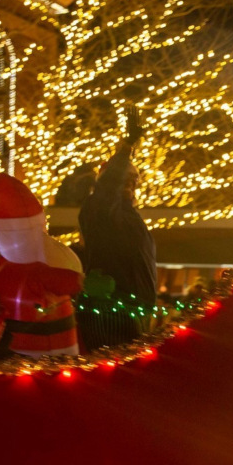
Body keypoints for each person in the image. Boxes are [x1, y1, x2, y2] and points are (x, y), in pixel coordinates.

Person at [78, 114, 158, 345]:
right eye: (125, 180)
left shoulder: (129, 216)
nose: (130, 185)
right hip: (109, 310)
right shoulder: (97, 207)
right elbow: (107, 190)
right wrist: (125, 150)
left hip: (132, 309)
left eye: (134, 181)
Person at [0, 173, 85, 358]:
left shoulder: (0, 266)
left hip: (6, 346)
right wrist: (86, 282)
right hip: (47, 351)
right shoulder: (34, 271)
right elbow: (66, 281)